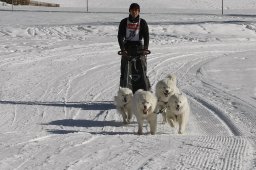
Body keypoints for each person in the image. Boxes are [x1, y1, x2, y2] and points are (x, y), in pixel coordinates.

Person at [117, 3, 151, 93]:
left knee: (142, 70)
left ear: (139, 11)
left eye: (136, 10)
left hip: (139, 48)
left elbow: (146, 36)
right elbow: (120, 36)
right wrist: (123, 49)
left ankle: (145, 91)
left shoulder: (142, 22)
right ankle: (123, 92)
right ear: (130, 11)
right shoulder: (124, 22)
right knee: (125, 71)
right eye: (132, 10)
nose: (134, 12)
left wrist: (145, 49)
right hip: (127, 48)